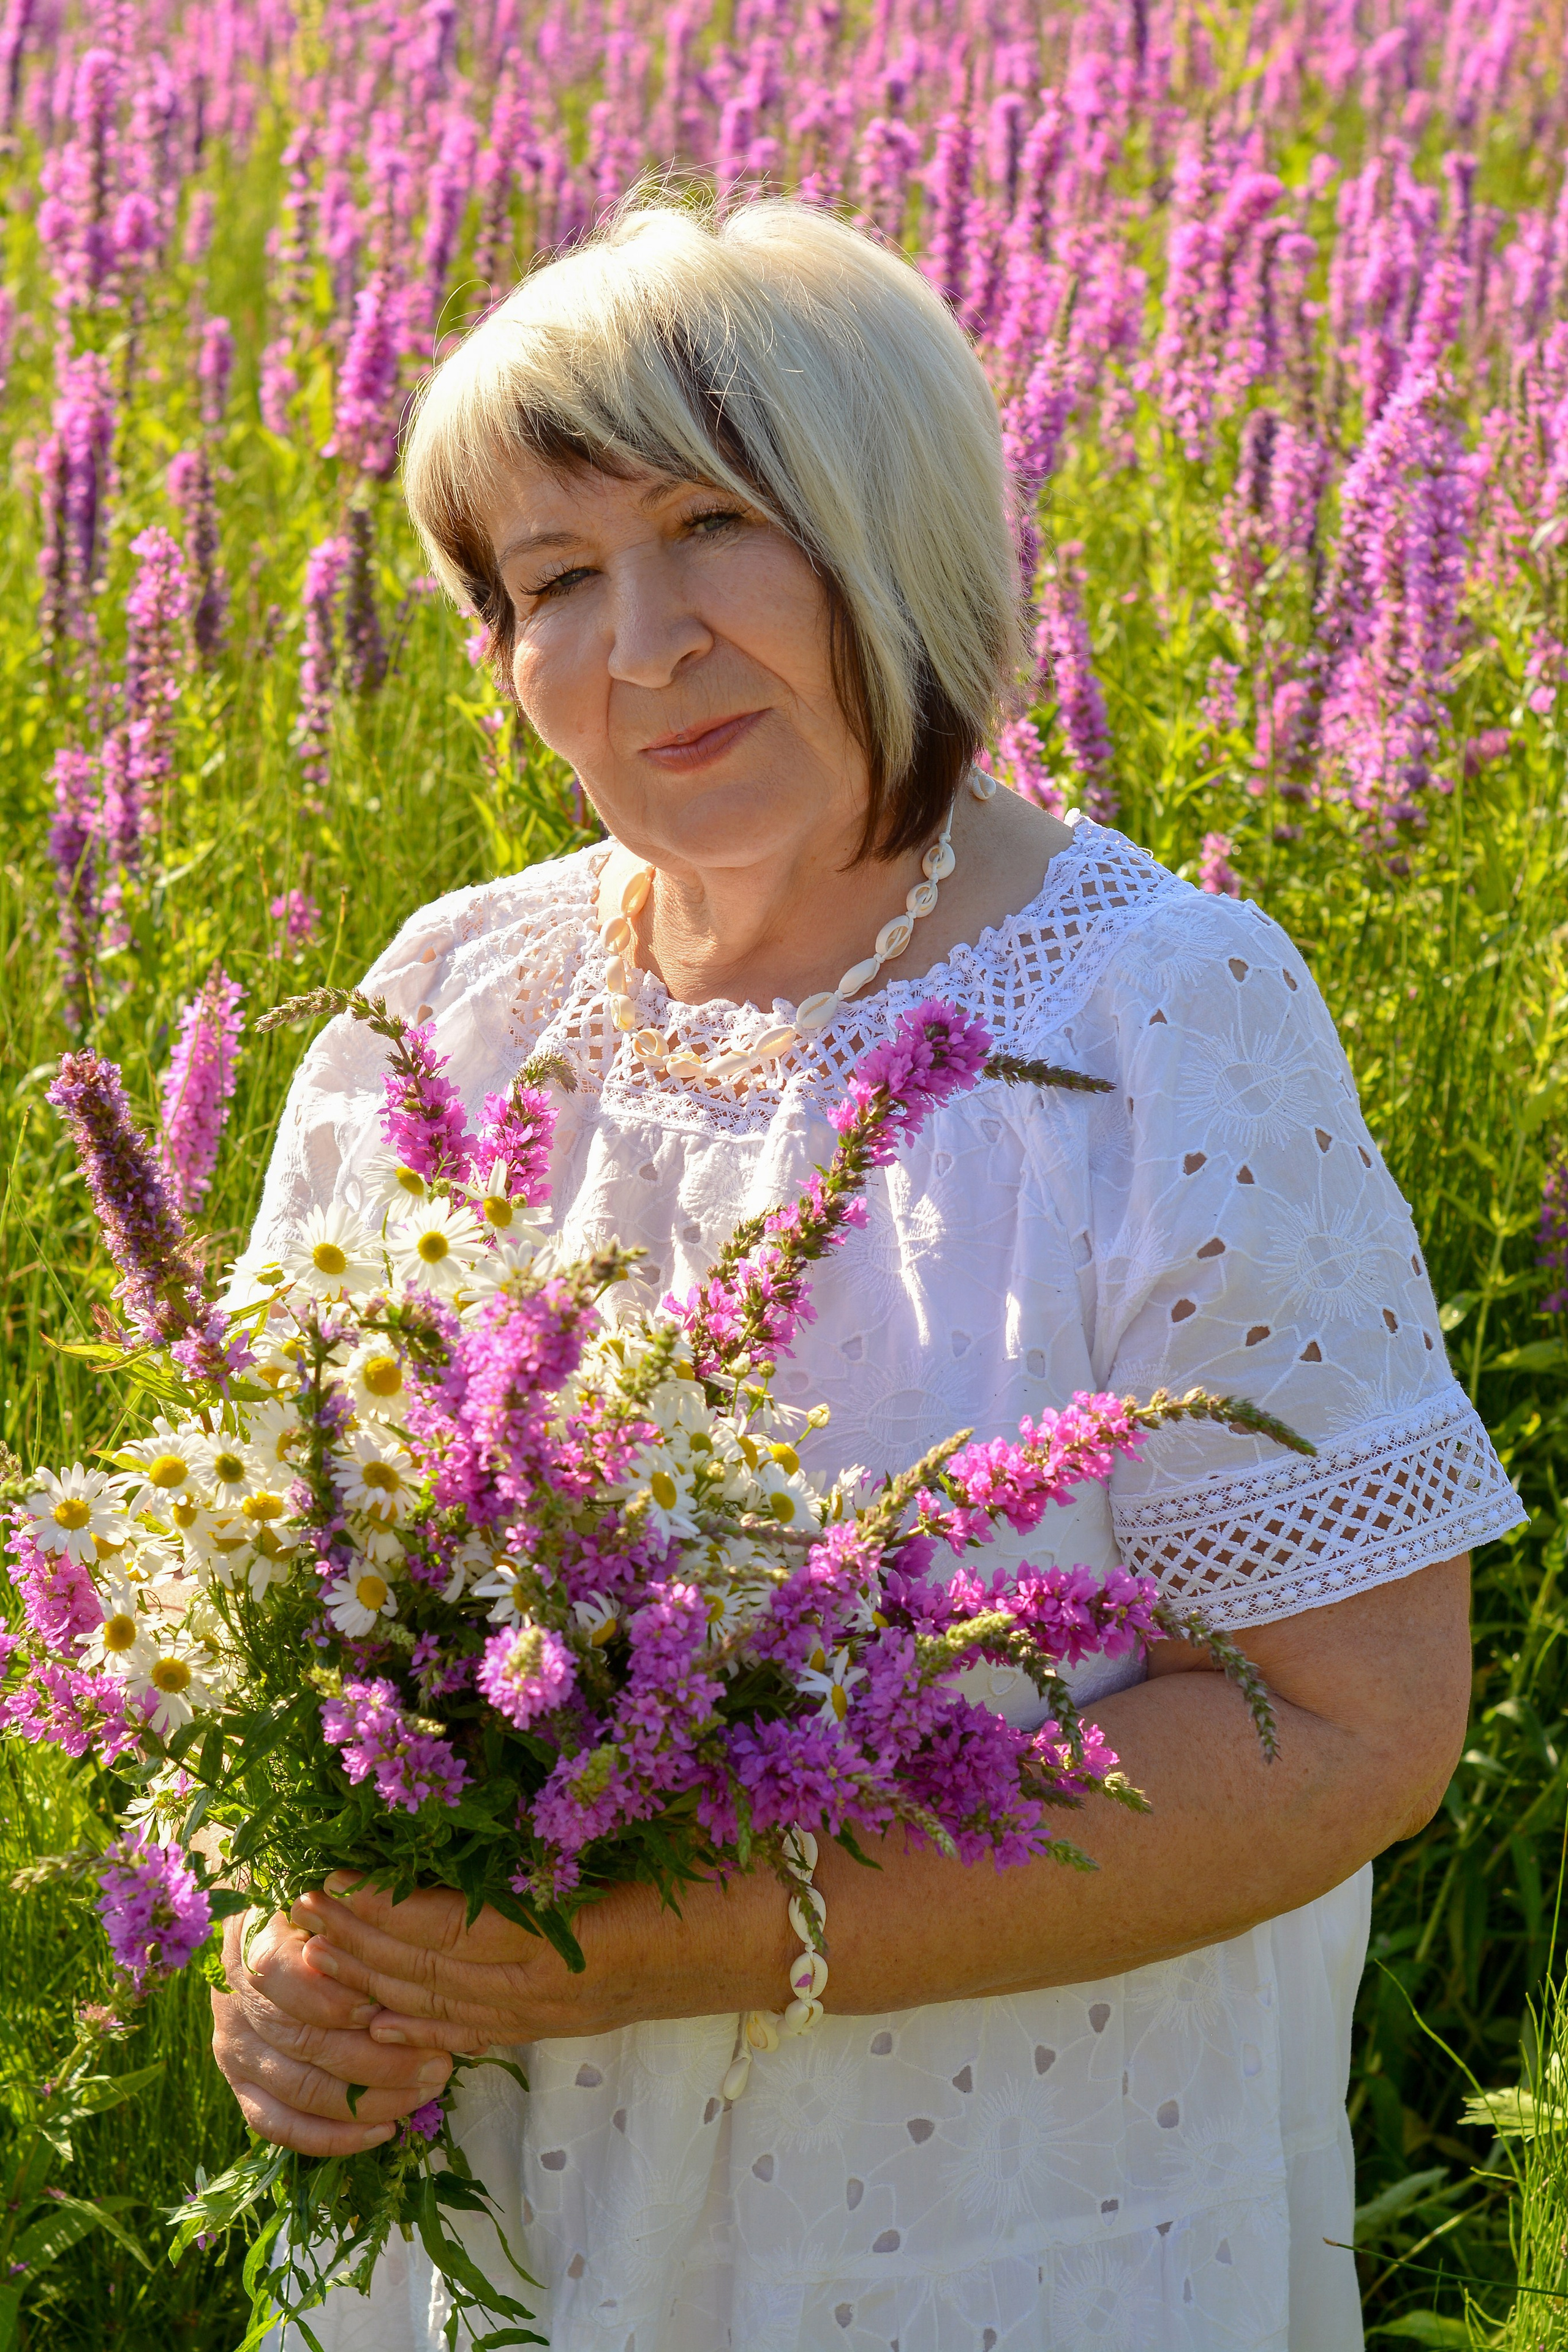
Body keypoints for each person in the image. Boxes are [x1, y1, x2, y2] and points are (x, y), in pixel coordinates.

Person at [215, 198, 1523, 2352]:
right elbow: (290, 1618)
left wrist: (660, 1946)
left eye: (711, 527)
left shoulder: (1150, 1019)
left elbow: (1355, 1724)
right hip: (487, 2234)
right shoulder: (451, 1006)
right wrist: (296, 1980)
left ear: (890, 526)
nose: (638, 646)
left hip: (979, 2229)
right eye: (552, 582)